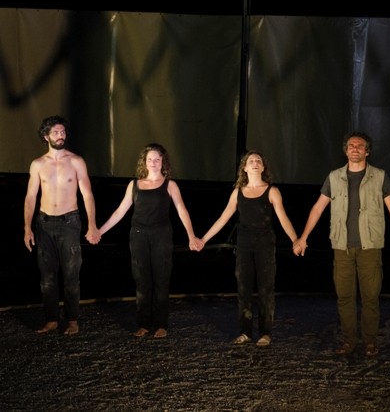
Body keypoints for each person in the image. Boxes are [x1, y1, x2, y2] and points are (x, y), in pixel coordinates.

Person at [293, 131, 390, 357]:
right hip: (341, 246)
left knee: (370, 297)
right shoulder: (334, 177)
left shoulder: (379, 176)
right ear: (346, 151)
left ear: (367, 151)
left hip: (370, 246)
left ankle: (370, 342)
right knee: (344, 297)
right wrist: (303, 237)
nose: (355, 149)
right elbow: (318, 207)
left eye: (360, 146)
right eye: (351, 146)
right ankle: (348, 341)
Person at [96, 143, 202, 339]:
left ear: (163, 162)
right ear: (144, 162)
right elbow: (119, 212)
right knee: (141, 280)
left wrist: (191, 236)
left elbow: (182, 210)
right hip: (138, 236)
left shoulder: (170, 185)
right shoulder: (134, 185)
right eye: (150, 159)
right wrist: (99, 231)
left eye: (157, 159)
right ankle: (144, 324)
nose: (153, 163)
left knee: (161, 280)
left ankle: (161, 325)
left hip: (161, 236)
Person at [199, 150, 300, 347]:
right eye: (251, 160)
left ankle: (265, 333)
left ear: (263, 167)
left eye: (258, 160)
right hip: (244, 245)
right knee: (244, 289)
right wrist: (203, 239)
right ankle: (245, 332)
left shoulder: (272, 191)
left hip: (265, 245)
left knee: (265, 289)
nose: (255, 162)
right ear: (244, 168)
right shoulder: (237, 192)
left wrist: (295, 240)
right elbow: (223, 218)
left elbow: (283, 218)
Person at [23, 115, 99, 335]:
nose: (60, 135)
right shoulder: (38, 164)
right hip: (45, 223)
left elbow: (87, 194)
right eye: (55, 132)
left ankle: (72, 319)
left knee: (71, 274)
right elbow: (31, 197)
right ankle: (51, 320)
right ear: (46, 136)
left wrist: (92, 225)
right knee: (47, 277)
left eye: (63, 132)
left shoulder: (76, 161)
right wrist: (27, 227)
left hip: (69, 222)